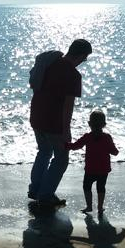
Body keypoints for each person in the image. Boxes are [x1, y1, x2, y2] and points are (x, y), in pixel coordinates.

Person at [28, 39, 92, 205]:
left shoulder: (49, 64)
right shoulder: (73, 74)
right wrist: (66, 130)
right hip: (53, 121)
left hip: (36, 116)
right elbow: (67, 107)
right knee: (61, 158)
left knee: (43, 152)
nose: (83, 62)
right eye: (84, 58)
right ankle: (46, 195)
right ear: (81, 55)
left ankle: (35, 189)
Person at [66, 110, 119, 214]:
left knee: (86, 186)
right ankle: (100, 207)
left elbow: (76, 146)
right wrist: (113, 150)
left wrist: (65, 145)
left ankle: (89, 206)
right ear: (104, 125)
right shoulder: (107, 137)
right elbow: (114, 152)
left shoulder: (87, 136)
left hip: (91, 168)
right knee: (101, 187)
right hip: (103, 169)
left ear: (89, 124)